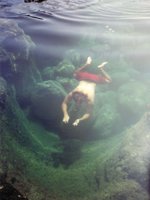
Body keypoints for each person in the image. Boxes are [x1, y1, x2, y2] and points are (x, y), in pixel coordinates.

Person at [61, 56, 112, 126]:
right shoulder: (89, 99)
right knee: (109, 80)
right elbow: (88, 113)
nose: (78, 101)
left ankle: (87, 64)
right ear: (82, 103)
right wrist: (79, 119)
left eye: (76, 104)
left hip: (84, 77)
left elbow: (64, 103)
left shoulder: (74, 94)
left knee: (75, 74)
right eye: (79, 105)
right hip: (95, 79)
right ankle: (100, 68)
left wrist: (65, 114)